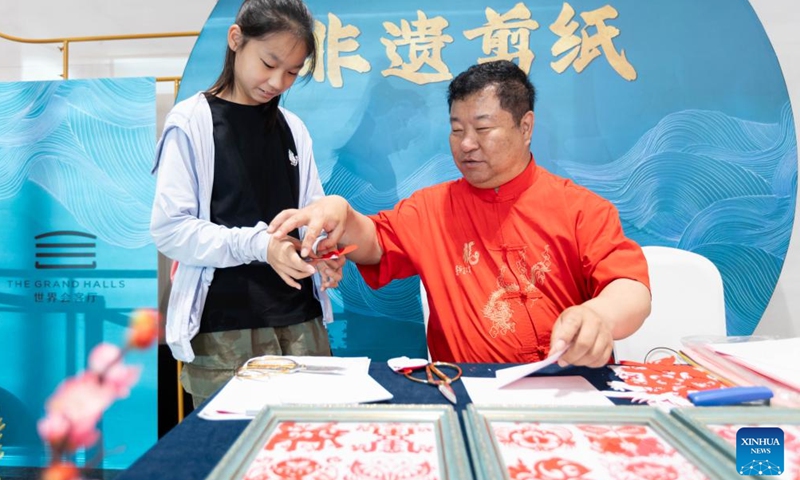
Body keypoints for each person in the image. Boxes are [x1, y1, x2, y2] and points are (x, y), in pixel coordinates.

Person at [268, 60, 651, 367]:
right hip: (467, 389)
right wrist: (342, 212)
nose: (467, 144)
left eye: (483, 128)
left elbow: (631, 289)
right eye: (456, 129)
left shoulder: (580, 208)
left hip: (568, 387)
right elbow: (373, 244)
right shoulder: (431, 209)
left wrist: (600, 314)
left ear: (526, 126)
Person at [150, 0, 343, 407]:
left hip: (302, 321)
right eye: (269, 63)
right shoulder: (192, 123)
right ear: (236, 39)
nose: (277, 81)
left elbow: (312, 212)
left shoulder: (294, 129)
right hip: (226, 330)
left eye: (292, 71)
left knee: (310, 452)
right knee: (232, 460)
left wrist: (320, 251)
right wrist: (261, 246)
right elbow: (171, 229)